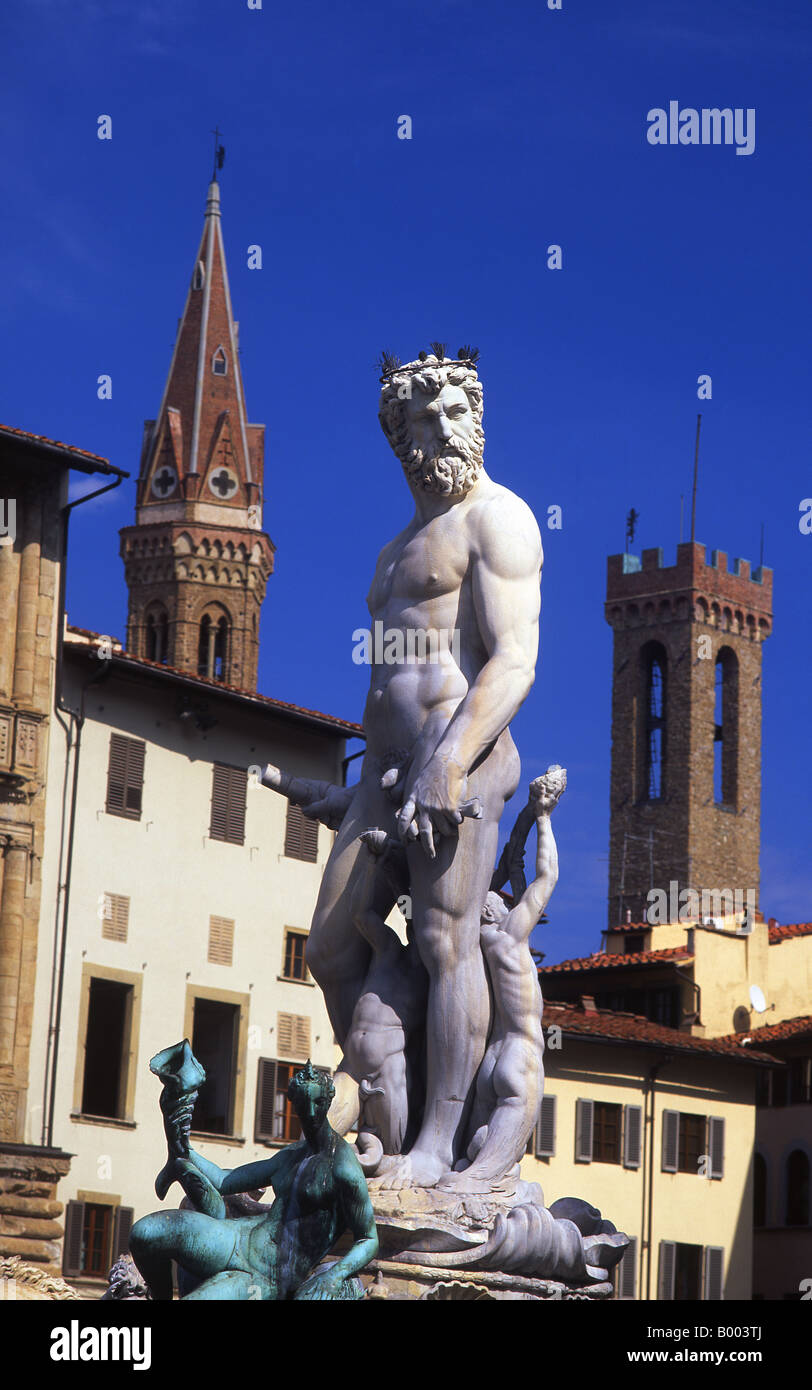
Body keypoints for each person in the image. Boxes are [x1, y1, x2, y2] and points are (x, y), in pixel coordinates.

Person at [306, 352, 542, 1188]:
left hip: (461, 757)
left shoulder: (499, 518)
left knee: (446, 940)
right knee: (329, 947)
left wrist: (448, 761)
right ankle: (385, 1119)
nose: (442, 429)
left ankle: (438, 1144)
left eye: (455, 412)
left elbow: (514, 660)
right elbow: (389, 675)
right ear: (397, 435)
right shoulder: (395, 549)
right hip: (383, 772)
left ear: (477, 419)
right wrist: (361, 784)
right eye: (423, 417)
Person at [128, 1062, 378, 1300]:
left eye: (318, 1102)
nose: (311, 1112)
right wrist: (185, 1149)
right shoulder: (291, 1155)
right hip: (236, 1238)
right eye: (304, 1103)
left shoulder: (343, 1167)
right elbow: (224, 1180)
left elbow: (368, 1239)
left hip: (267, 1276)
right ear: (294, 1102)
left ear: (328, 1101)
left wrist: (335, 1275)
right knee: (144, 1234)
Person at [441, 766, 566, 1191]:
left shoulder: (478, 941)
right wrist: (544, 817)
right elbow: (547, 877)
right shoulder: (512, 935)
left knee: (471, 1155)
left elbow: (510, 865)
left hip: (489, 1061)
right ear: (497, 910)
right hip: (520, 1051)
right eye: (502, 900)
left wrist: (524, 820)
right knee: (490, 1175)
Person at [329, 829, 427, 1158]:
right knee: (316, 1143)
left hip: (389, 1070)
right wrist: (372, 865)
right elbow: (361, 914)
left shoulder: (435, 982)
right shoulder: (390, 949)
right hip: (352, 1067)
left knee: (391, 1155)